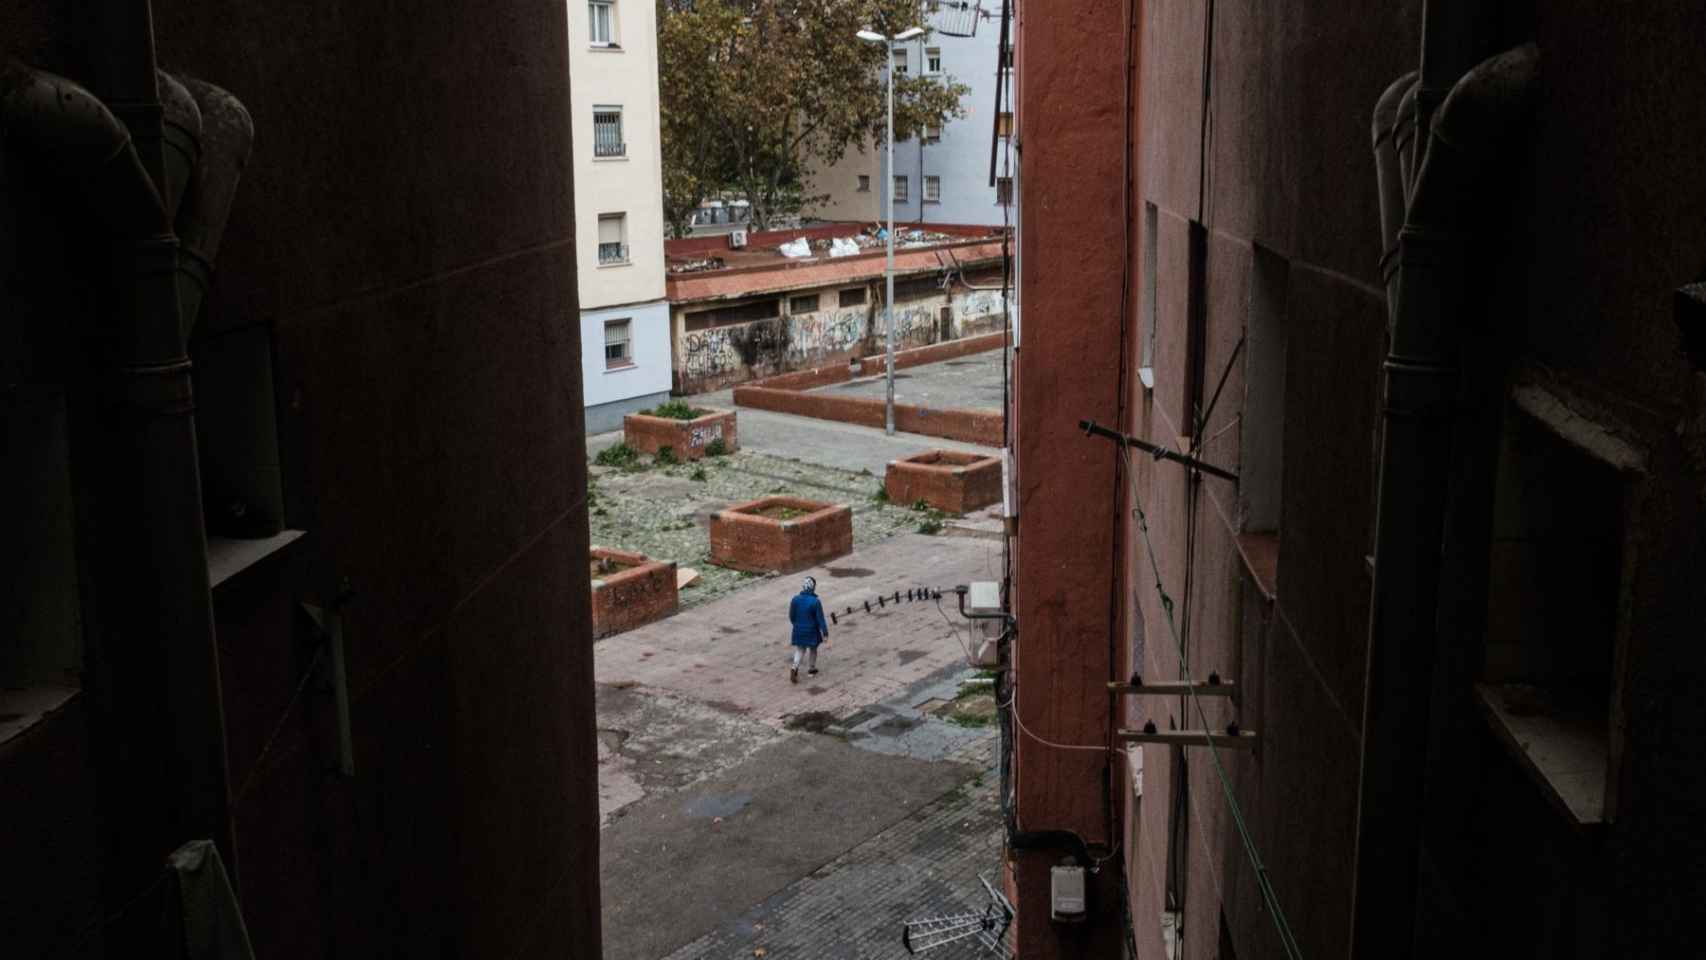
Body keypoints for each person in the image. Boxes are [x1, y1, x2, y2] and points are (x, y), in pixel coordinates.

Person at [788, 576, 829, 684]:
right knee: (813, 649)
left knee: (800, 649)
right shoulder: (815, 601)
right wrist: (825, 633)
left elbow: (791, 615)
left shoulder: (795, 599)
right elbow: (820, 619)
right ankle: (811, 669)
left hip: (798, 629)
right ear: (813, 587)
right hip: (811, 630)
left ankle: (794, 667)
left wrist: (796, 624)